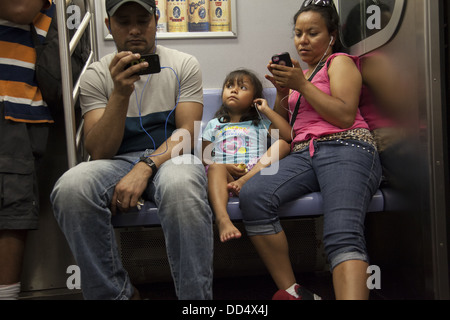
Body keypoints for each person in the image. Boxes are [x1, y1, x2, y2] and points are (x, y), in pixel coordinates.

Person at [50, 0, 213, 300]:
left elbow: (188, 132)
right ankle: (116, 295)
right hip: (117, 161)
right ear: (108, 26)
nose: (135, 30)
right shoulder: (96, 76)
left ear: (156, 19)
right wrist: (120, 94)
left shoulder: (184, 64)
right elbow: (99, 150)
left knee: (182, 186)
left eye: (143, 20)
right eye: (123, 21)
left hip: (171, 157)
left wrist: (146, 166)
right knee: (71, 188)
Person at [239, 0, 382, 300]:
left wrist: (301, 86)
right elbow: (290, 134)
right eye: (298, 33)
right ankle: (294, 293)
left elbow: (343, 115)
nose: (302, 40)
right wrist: (282, 92)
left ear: (331, 35)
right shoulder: (300, 77)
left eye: (312, 33)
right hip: (305, 152)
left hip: (348, 146)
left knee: (340, 233)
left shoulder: (338, 62)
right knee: (254, 196)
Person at [0, 0, 54, 300]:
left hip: (15, 108)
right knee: (10, 214)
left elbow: (22, 11)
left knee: (11, 214)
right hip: (11, 108)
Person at [202, 69, 292, 243]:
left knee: (282, 145)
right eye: (229, 86)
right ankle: (223, 219)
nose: (234, 90)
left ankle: (243, 181)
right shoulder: (214, 125)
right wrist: (225, 167)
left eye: (242, 87)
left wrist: (266, 110)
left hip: (255, 174)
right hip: (224, 176)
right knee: (214, 167)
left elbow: (288, 136)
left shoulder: (260, 123)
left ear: (254, 100)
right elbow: (205, 158)